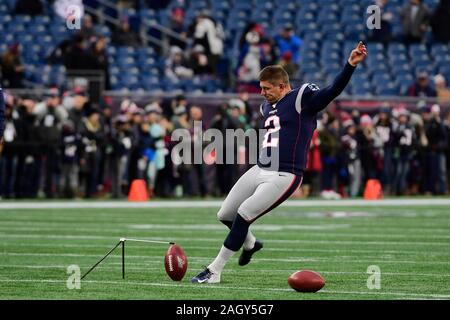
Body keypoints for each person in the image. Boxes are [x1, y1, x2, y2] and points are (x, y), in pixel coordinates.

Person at [191, 41, 368, 283]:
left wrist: (349, 66)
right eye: (260, 87)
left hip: (285, 173)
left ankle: (215, 270)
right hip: (261, 167)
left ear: (283, 86)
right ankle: (251, 244)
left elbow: (332, 91)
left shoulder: (301, 98)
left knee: (243, 214)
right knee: (226, 214)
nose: (262, 92)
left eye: (266, 88)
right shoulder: (265, 107)